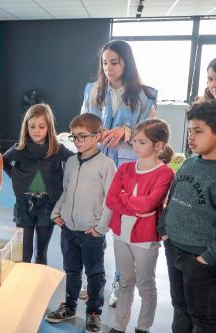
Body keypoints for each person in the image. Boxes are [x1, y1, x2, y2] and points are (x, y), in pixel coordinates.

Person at [81, 39, 158, 307]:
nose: (108, 68)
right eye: (104, 62)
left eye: (114, 62)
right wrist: (94, 134)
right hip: (97, 165)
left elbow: (153, 134)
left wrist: (127, 132)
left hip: (128, 171)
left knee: (122, 230)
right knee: (95, 222)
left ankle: (119, 283)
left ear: (126, 63)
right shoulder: (92, 91)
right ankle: (94, 280)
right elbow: (82, 124)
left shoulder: (143, 96)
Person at [46, 113, 116, 333]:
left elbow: (111, 201)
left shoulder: (106, 165)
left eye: (83, 136)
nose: (78, 141)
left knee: (95, 275)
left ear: (98, 136)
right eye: (74, 137)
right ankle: (69, 306)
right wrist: (56, 213)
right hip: (68, 229)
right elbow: (65, 192)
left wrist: (100, 229)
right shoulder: (70, 162)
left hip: (91, 232)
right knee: (71, 270)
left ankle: (93, 313)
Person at [106, 119, 174, 333]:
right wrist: (138, 207)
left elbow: (150, 203)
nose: (135, 146)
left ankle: (143, 327)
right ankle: (119, 325)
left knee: (145, 285)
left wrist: (125, 198)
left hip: (145, 238)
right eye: (134, 141)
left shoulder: (165, 173)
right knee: (125, 281)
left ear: (159, 145)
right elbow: (111, 200)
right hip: (120, 233)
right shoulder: (125, 168)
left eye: (142, 142)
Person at [157, 101, 216, 333]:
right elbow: (172, 200)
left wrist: (209, 256)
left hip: (201, 259)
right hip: (174, 250)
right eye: (190, 130)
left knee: (203, 318)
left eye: (198, 131)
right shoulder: (189, 163)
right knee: (179, 307)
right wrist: (164, 230)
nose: (191, 137)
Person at [3, 104, 73, 264]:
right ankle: (23, 284)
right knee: (24, 253)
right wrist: (14, 175)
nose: (36, 130)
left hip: (47, 205)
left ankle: (39, 285)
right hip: (24, 205)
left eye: (41, 126)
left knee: (41, 252)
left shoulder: (57, 149)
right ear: (26, 127)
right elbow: (2, 160)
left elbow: (74, 160)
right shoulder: (20, 149)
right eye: (32, 126)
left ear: (49, 127)